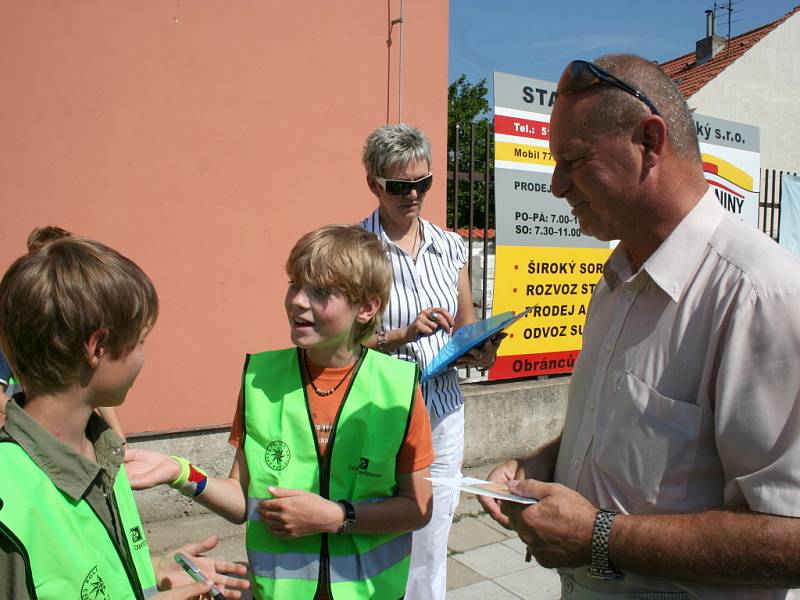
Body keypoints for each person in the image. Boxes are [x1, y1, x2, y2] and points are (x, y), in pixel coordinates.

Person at [479, 53, 800, 599]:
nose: (557, 185)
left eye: (574, 160)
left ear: (649, 143)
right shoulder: (617, 279)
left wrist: (599, 536)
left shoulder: (759, 295)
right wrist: (542, 462)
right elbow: (629, 425)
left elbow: (791, 538)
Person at [124, 224, 434, 599]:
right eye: (294, 284)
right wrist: (180, 472)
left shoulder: (398, 387)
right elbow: (243, 500)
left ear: (366, 307)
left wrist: (337, 518)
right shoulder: (261, 380)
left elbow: (417, 509)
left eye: (320, 291)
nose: (298, 301)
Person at [0, 235, 250, 599]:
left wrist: (148, 570)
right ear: (97, 347)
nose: (144, 358)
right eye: (141, 341)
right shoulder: (9, 502)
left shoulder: (108, 455)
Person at [358, 123, 504, 600]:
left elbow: (466, 320)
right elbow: (340, 343)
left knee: (435, 525)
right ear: (373, 183)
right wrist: (403, 334)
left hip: (441, 407)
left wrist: (482, 345)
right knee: (381, 524)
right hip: (381, 412)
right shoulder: (355, 251)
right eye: (400, 186)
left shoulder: (451, 246)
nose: (413, 195)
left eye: (423, 183)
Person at [0, 225, 125, 440]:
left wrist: (119, 438)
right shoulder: (14, 325)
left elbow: (95, 383)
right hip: (32, 439)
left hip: (75, 437)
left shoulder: (77, 325)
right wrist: (33, 423)